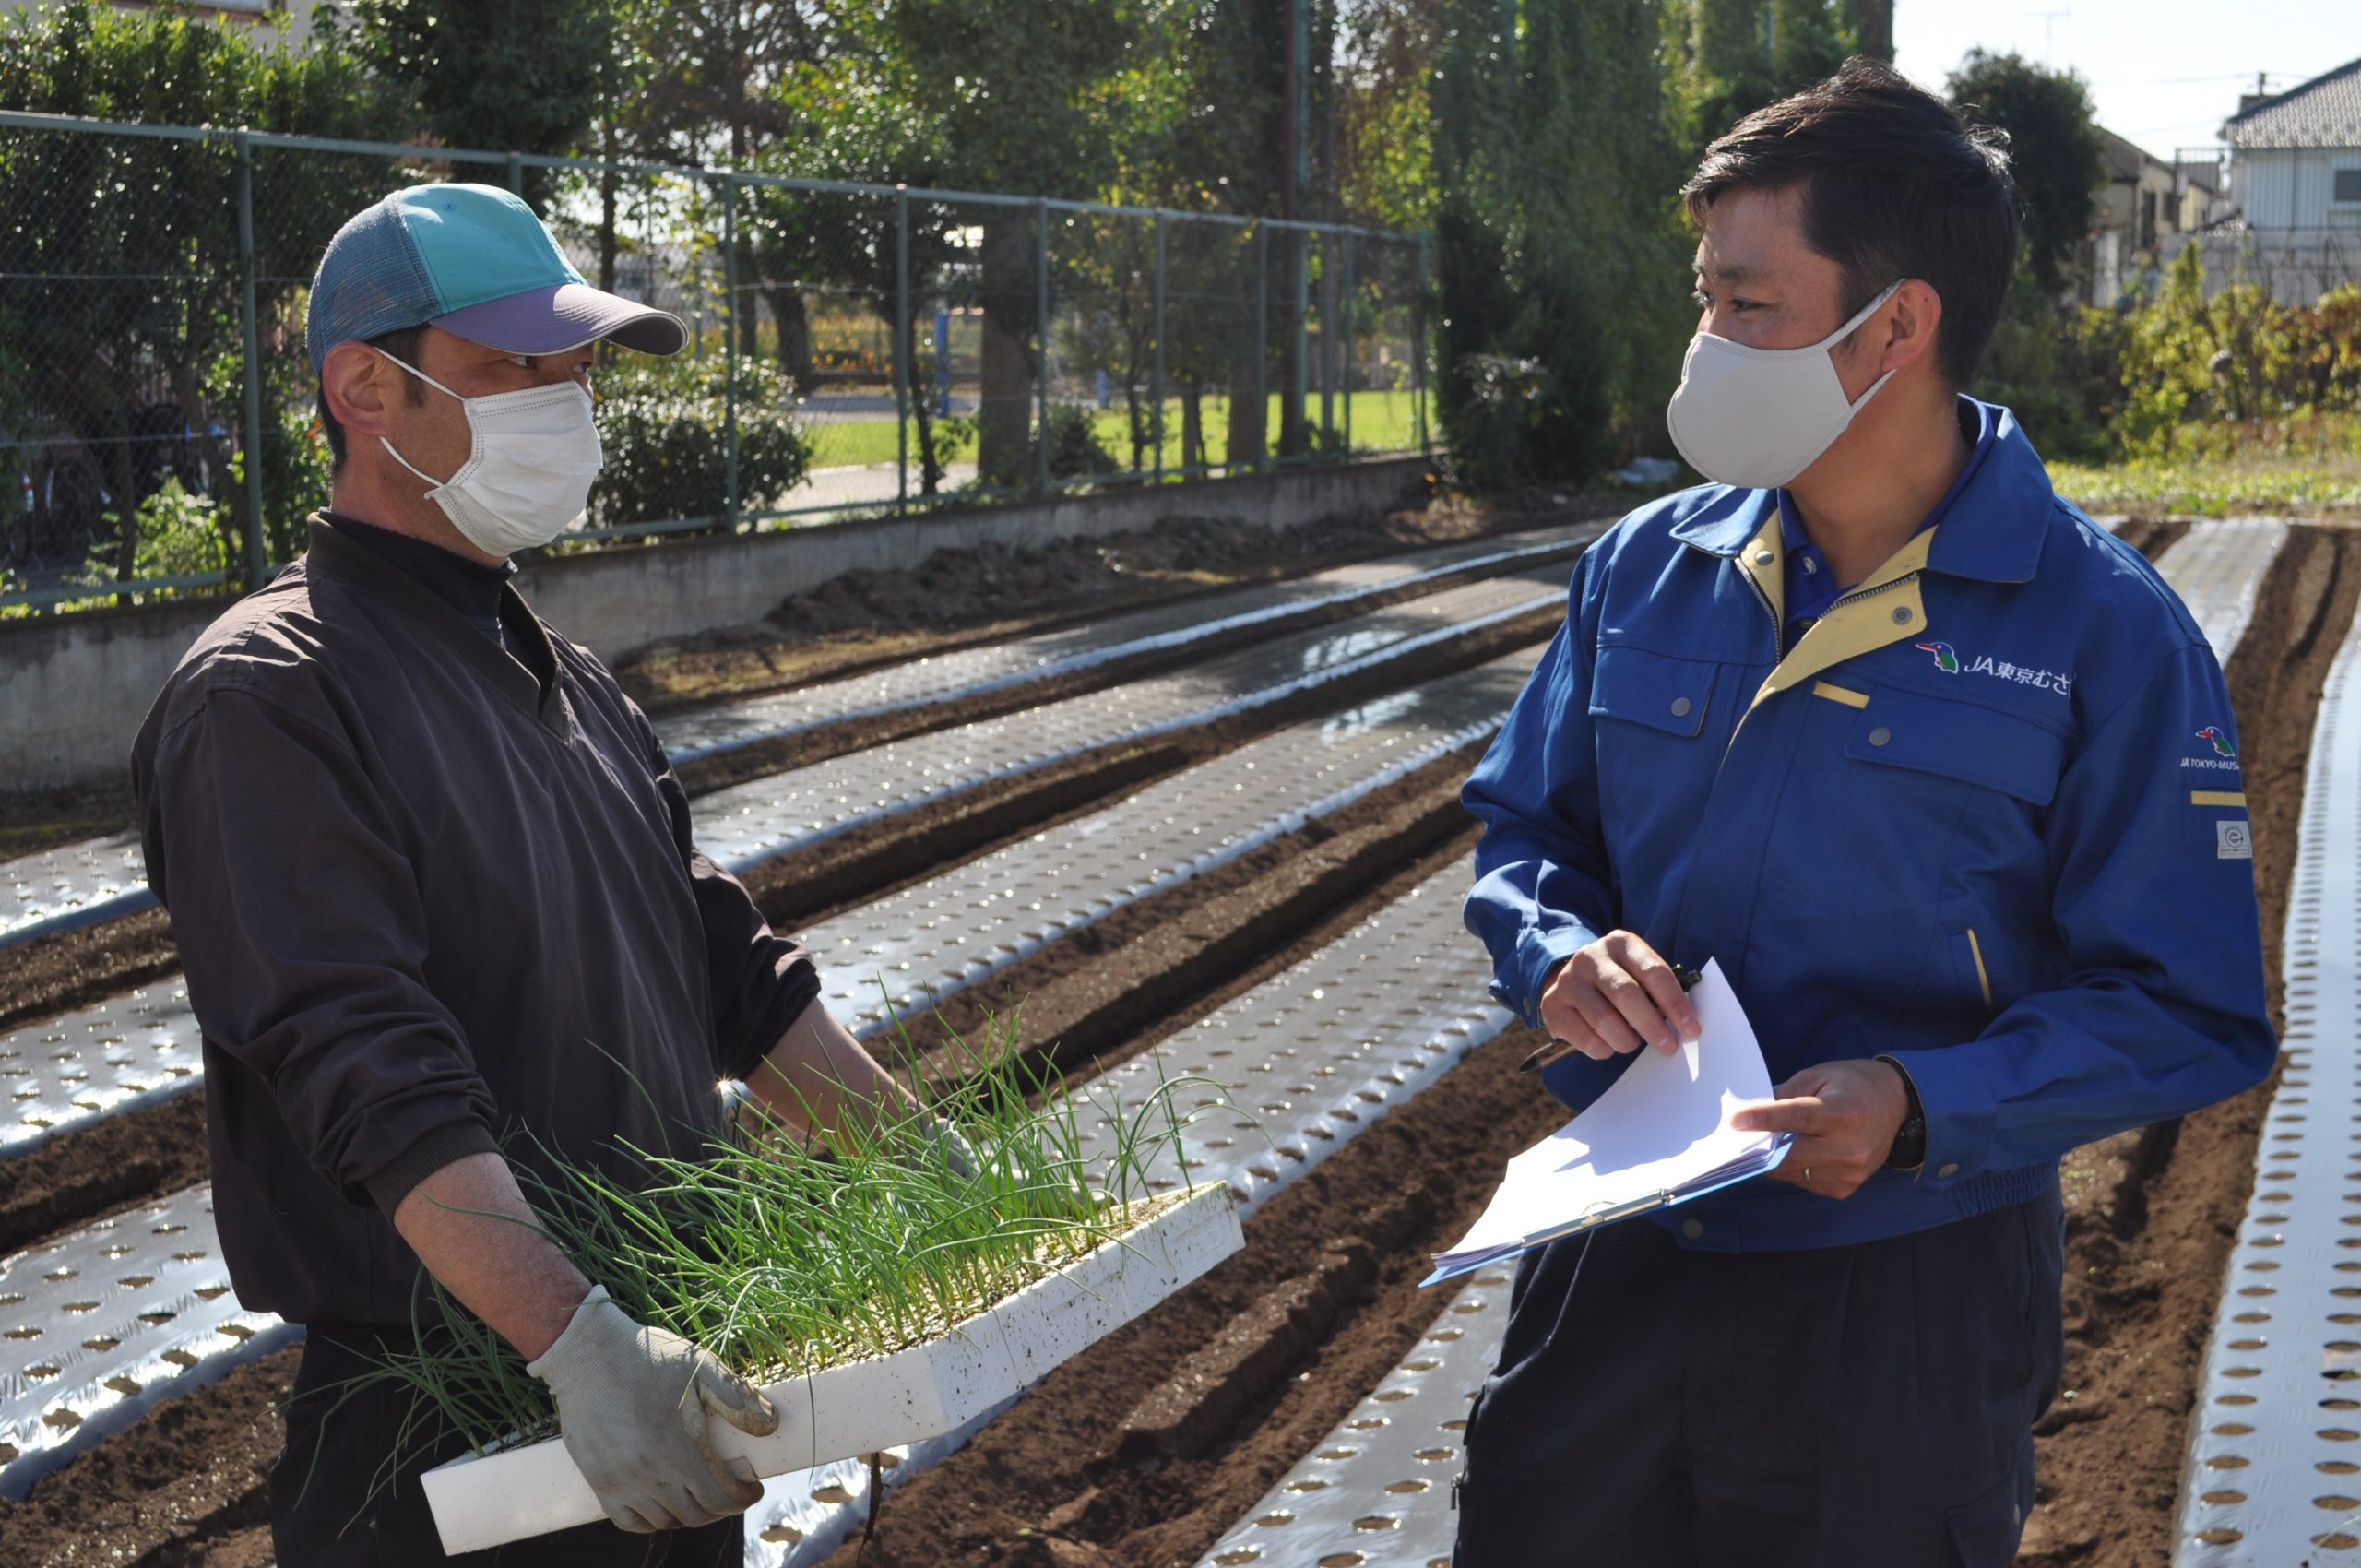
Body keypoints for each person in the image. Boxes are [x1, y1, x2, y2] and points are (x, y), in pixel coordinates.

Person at [1453, 60, 2274, 1568]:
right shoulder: (1645, 569)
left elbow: (2191, 1005)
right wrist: (1558, 951)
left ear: (1896, 327)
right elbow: (1526, 832)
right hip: (1619, 1255)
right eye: (1705, 296)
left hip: (1904, 1300)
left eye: (1748, 306)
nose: (1706, 344)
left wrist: (1922, 1107)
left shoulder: (2104, 632)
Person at [130, 184, 926, 1566]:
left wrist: (934, 1179)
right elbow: (367, 1068)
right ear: (368, 389)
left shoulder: (567, 680)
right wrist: (576, 1342)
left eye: (576, 370)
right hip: (456, 1447)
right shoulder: (271, 697)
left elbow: (724, 966)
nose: (566, 402)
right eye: (516, 369)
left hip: (664, 1400)